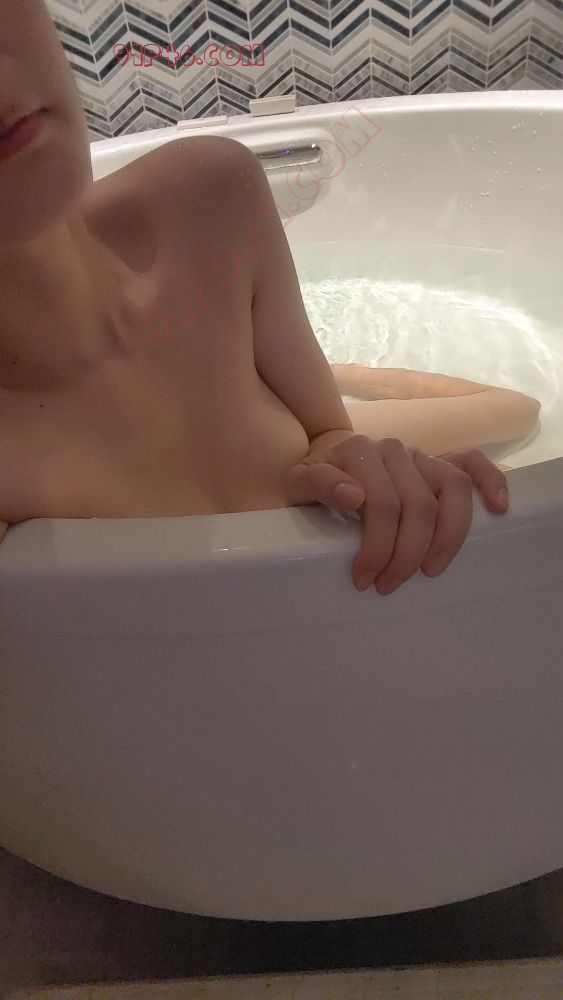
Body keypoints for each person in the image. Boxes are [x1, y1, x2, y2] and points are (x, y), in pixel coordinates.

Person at [0, 1, 539, 597]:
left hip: (298, 433)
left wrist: (363, 462)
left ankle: (348, 372)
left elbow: (330, 435)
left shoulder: (209, 193)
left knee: (518, 411)